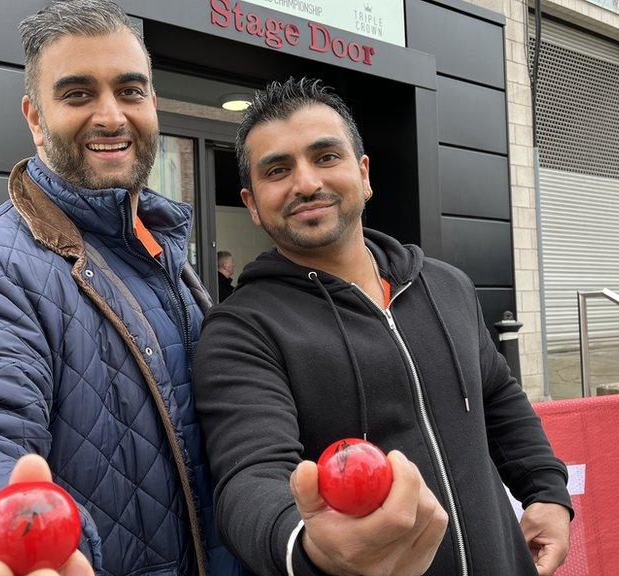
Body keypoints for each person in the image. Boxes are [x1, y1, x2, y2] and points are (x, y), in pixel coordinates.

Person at [0, 2, 241, 575]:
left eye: (130, 91)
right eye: (77, 95)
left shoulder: (162, 250)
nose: (111, 116)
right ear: (34, 116)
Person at [192, 78, 573, 576]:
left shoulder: (447, 286)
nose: (306, 183)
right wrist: (311, 549)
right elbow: (249, 477)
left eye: (326, 157)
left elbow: (500, 398)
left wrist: (546, 491)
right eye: (278, 170)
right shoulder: (240, 331)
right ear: (252, 203)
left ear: (364, 173)